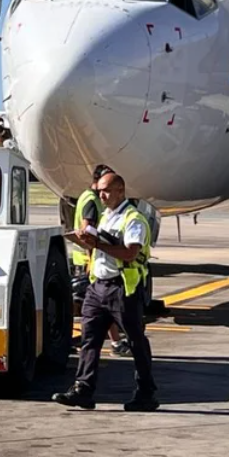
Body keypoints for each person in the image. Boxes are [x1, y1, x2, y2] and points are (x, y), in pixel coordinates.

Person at [54, 170, 158, 411]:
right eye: (100, 190)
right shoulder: (107, 216)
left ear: (121, 191)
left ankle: (146, 393)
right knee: (89, 339)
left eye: (107, 190)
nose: (102, 195)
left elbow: (131, 252)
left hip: (122, 288)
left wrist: (98, 243)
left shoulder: (132, 219)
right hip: (98, 286)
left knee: (135, 341)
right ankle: (83, 389)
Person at [73, 165, 130, 357]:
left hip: (90, 257)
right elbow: (86, 228)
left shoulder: (85, 196)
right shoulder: (91, 200)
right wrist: (92, 259)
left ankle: (108, 343)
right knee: (101, 309)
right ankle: (113, 343)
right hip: (92, 260)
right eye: (104, 187)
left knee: (96, 311)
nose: (105, 193)